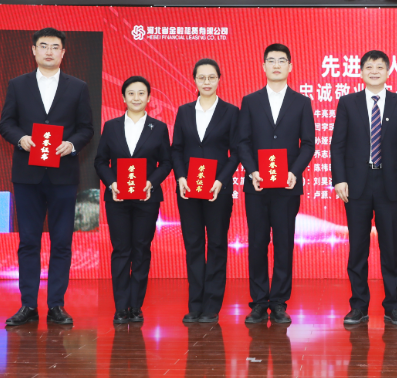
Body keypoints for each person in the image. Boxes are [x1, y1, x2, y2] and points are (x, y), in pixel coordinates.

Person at [0, 28, 94, 327]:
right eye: (43, 46)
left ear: (63, 53)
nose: (49, 51)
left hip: (63, 176)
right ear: (34, 50)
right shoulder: (18, 84)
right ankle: (28, 305)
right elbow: (6, 123)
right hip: (27, 175)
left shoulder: (78, 87)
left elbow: (86, 128)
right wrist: (21, 139)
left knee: (62, 242)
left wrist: (72, 144)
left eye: (55, 47)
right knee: (28, 241)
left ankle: (56, 305)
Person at [331, 50, 397, 326]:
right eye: (369, 67)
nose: (375, 71)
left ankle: (393, 306)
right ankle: (358, 306)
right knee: (358, 248)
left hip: (390, 184)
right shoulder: (348, 103)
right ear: (360, 72)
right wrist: (339, 179)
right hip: (356, 184)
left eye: (380, 67)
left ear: (389, 71)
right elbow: (337, 145)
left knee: (390, 248)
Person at [237, 43, 315, 324]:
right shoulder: (250, 101)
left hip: (287, 186)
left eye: (282, 60)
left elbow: (308, 144)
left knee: (283, 243)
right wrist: (252, 171)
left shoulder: (302, 102)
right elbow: (242, 141)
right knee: (257, 243)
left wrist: (294, 171)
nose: (277, 65)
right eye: (271, 60)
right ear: (263, 66)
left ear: (290, 66)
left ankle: (279, 302)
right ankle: (259, 302)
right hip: (257, 185)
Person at [95, 76, 172, 325]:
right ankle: (120, 307)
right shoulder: (111, 126)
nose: (136, 98)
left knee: (141, 249)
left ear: (149, 98)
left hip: (147, 198)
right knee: (121, 250)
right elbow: (100, 161)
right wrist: (112, 183)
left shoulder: (158, 128)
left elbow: (167, 162)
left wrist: (151, 182)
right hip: (117, 198)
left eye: (141, 93)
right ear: (123, 97)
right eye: (131, 93)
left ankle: (136, 306)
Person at [171, 59, 240, 324]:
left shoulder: (231, 112)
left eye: (212, 77)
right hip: (188, 189)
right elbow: (176, 149)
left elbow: (236, 153)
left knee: (217, 244)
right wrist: (180, 177)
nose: (207, 82)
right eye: (202, 77)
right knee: (194, 245)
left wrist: (221, 180)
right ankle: (194, 304)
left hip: (217, 189)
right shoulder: (184, 111)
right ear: (195, 80)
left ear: (219, 79)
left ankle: (211, 305)